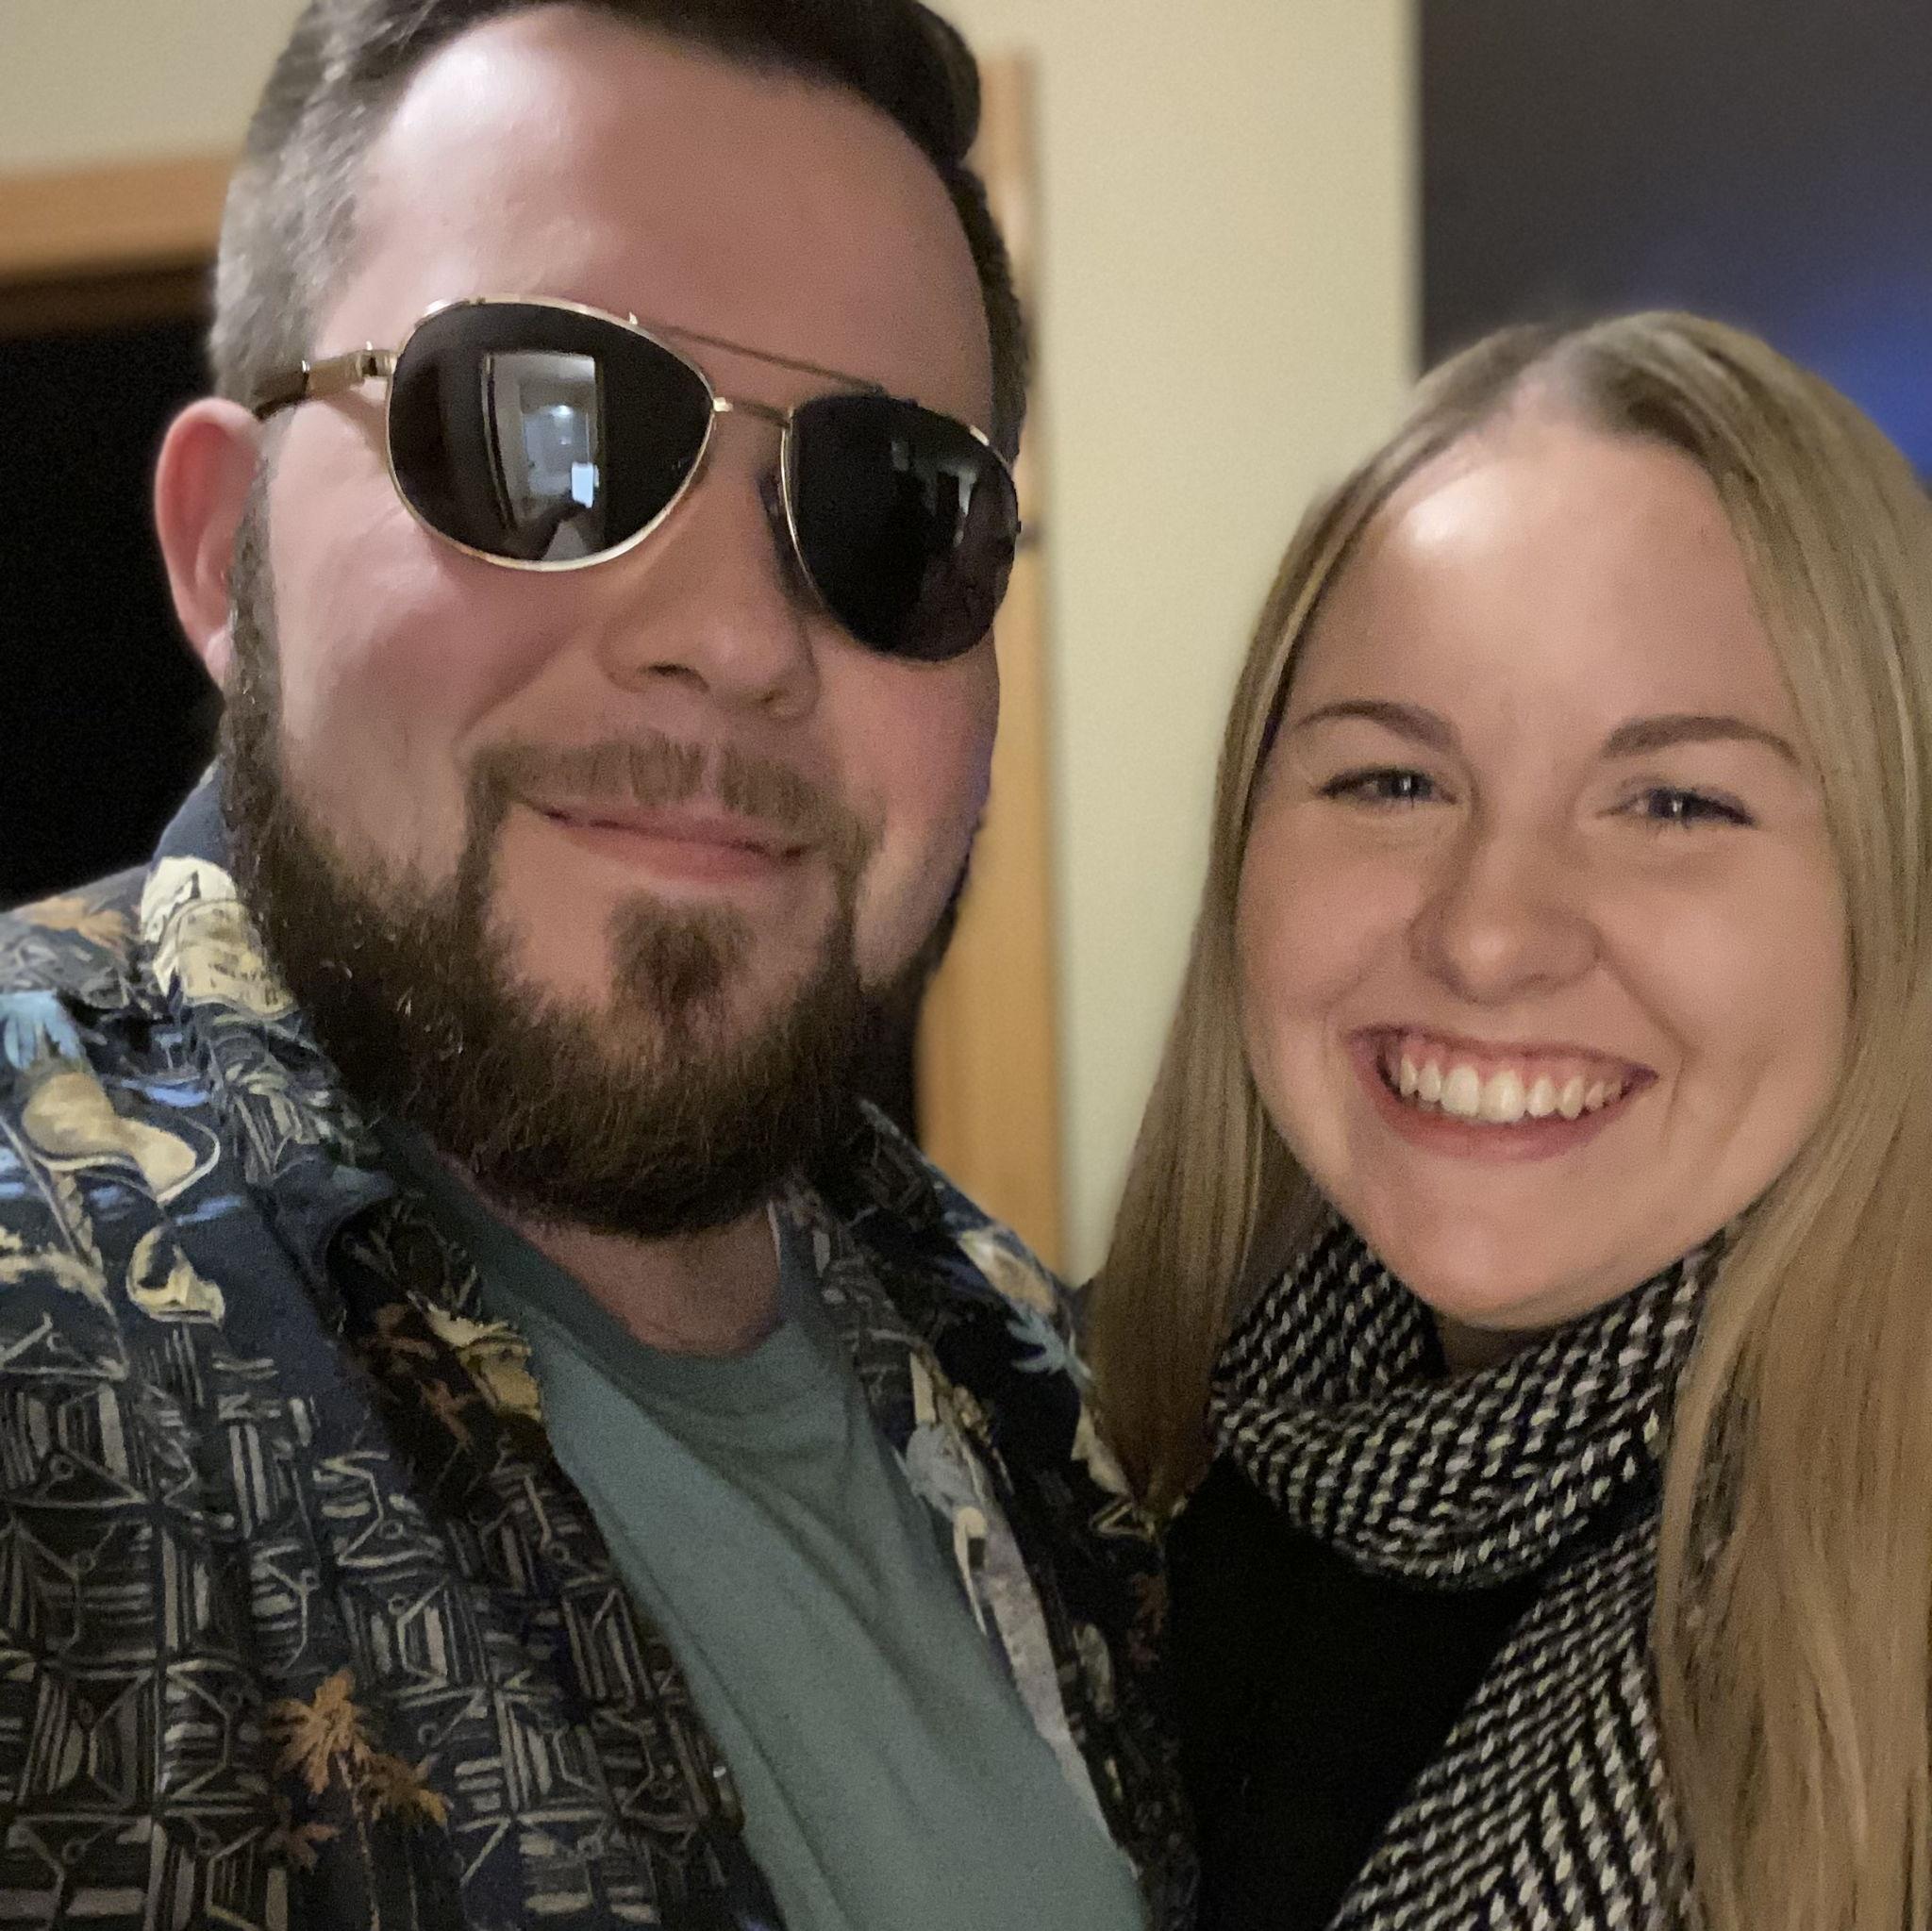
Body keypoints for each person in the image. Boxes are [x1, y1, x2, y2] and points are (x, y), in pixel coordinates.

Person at [0, 4, 1191, 1926]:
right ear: (226, 553)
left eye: (890, 509)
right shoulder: (47, 1317)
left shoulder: (1033, 1375)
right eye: (533, 433)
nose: (737, 637)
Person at [1090, 309, 1932, 1931]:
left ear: (1894, 897)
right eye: (1392, 782)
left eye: (1674, 801)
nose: (1488, 935)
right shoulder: (1109, 1465)